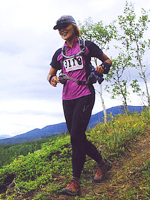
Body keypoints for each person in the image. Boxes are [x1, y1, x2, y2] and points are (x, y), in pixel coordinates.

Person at [47, 15, 113, 196]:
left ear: (73, 27)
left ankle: (75, 181)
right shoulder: (59, 54)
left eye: (64, 26)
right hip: (67, 99)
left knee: (76, 135)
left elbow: (108, 61)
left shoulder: (87, 46)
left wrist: (101, 68)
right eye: (58, 28)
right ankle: (102, 163)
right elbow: (50, 74)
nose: (61, 30)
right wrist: (52, 79)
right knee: (77, 137)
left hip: (85, 94)